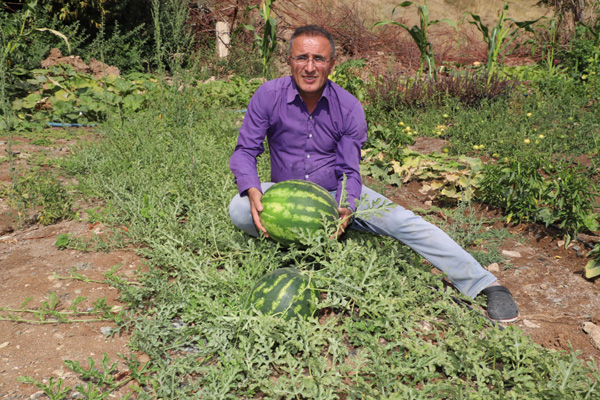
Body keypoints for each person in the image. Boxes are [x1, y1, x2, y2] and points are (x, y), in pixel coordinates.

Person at [228, 25, 519, 323]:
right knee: (239, 208)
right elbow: (244, 151)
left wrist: (346, 206)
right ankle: (299, 246)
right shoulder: (268, 95)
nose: (310, 67)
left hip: (335, 191)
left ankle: (484, 283)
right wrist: (252, 190)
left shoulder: (348, 107)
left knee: (404, 222)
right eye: (302, 57)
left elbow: (349, 169)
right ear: (289, 60)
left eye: (320, 58)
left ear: (332, 63)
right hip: (286, 194)